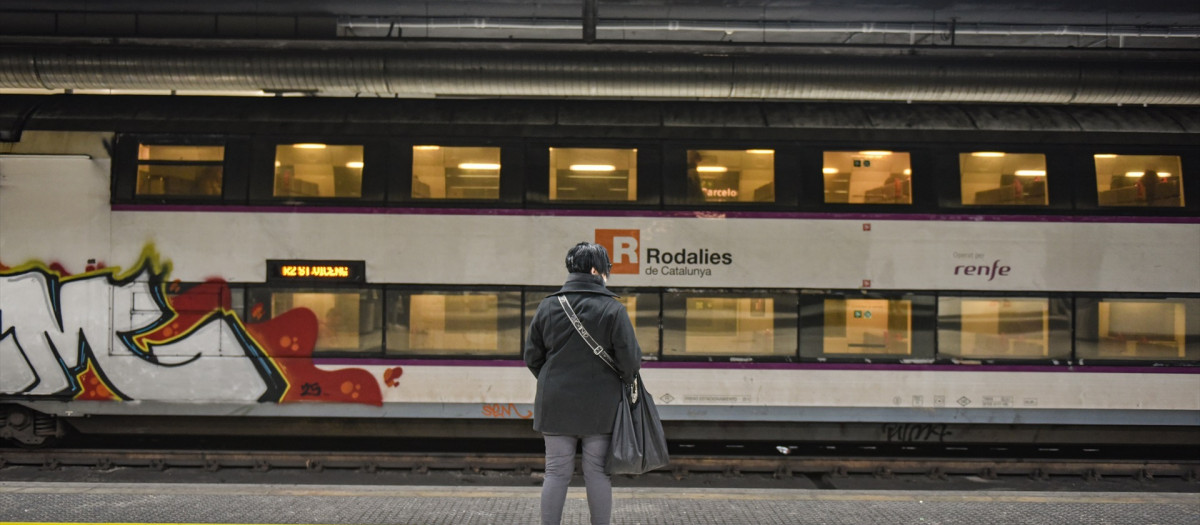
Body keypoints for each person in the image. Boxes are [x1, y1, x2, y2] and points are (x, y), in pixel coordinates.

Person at [524, 242, 642, 525]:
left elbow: (532, 356)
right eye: (606, 269)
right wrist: (618, 382)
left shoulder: (548, 306)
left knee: (555, 472)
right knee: (598, 473)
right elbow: (631, 362)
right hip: (601, 406)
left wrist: (555, 383)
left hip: (555, 403)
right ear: (594, 270)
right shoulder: (613, 310)